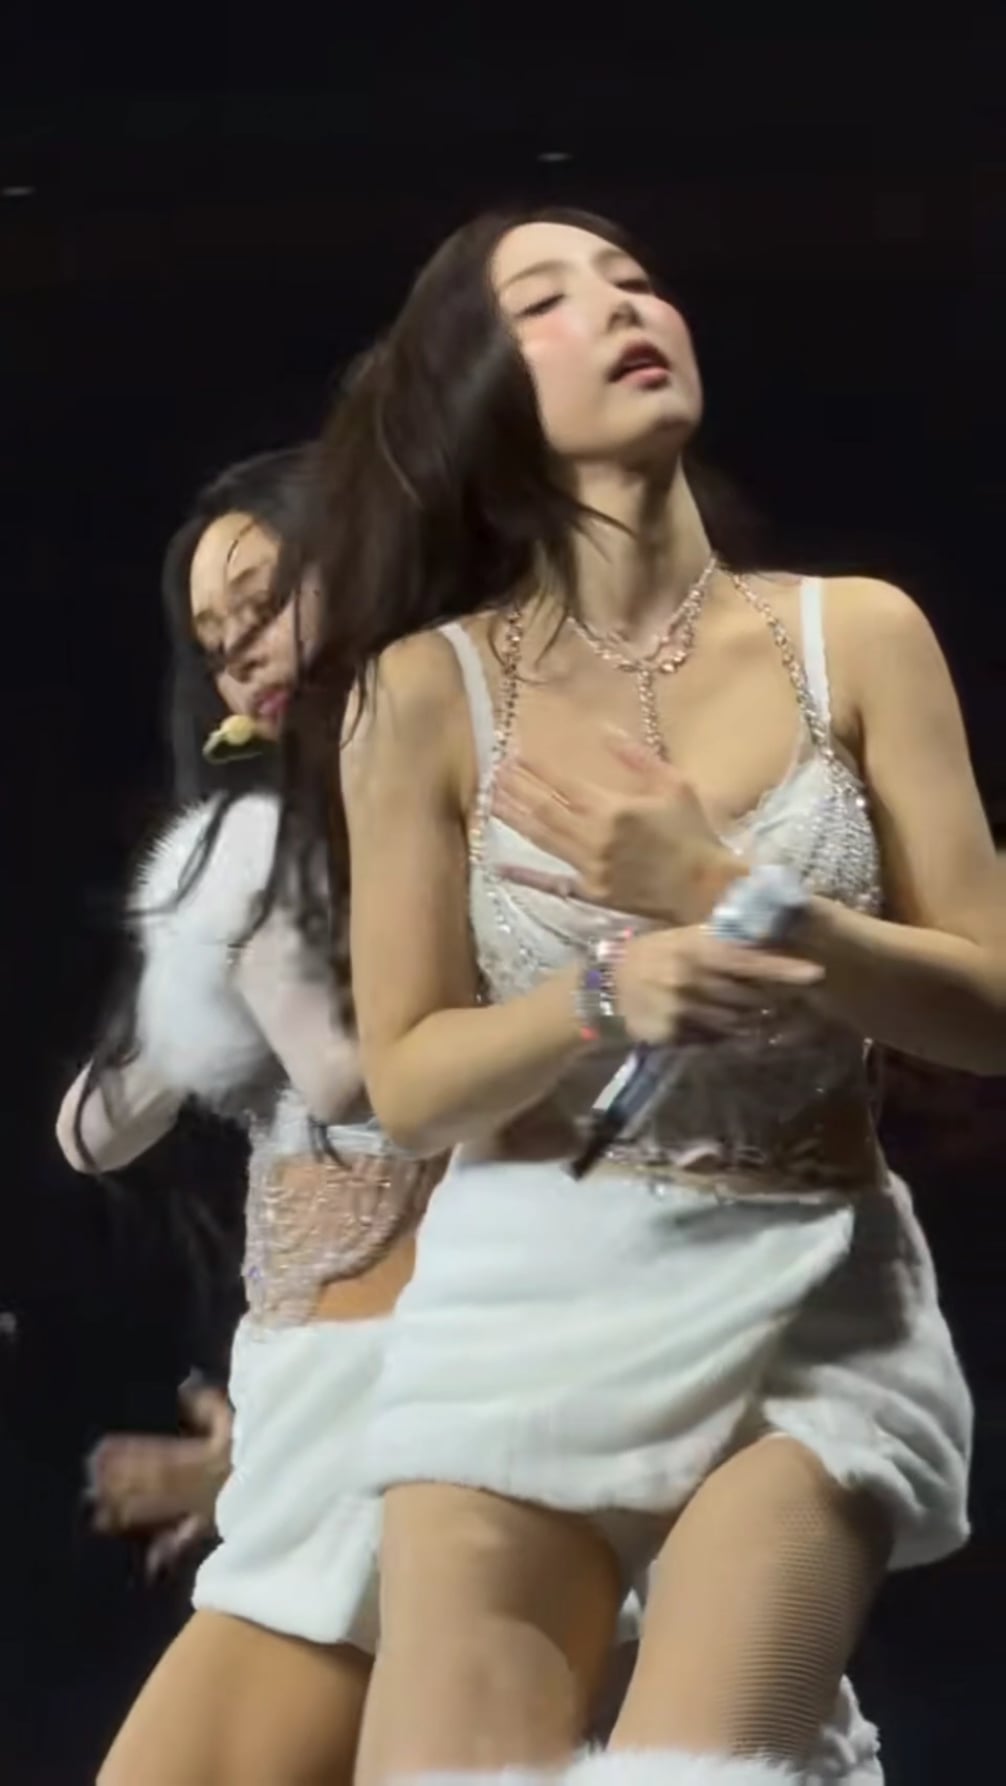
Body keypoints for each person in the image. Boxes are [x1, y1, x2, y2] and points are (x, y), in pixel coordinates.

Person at [286, 209, 1000, 1784]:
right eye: (547, 298)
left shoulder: (855, 634)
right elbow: (410, 1078)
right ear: (478, 394)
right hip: (523, 1296)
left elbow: (991, 1003)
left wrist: (735, 895)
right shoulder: (424, 692)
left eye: (633, 279)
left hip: (808, 1291)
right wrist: (608, 986)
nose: (623, 306)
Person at [56, 448, 440, 1786]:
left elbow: (355, 1082)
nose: (242, 656)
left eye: (265, 604)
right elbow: (90, 1132)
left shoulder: (470, 809)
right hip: (309, 1403)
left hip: (455, 1389)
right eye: (216, 643)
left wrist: (256, 946)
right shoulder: (248, 853)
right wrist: (198, 980)